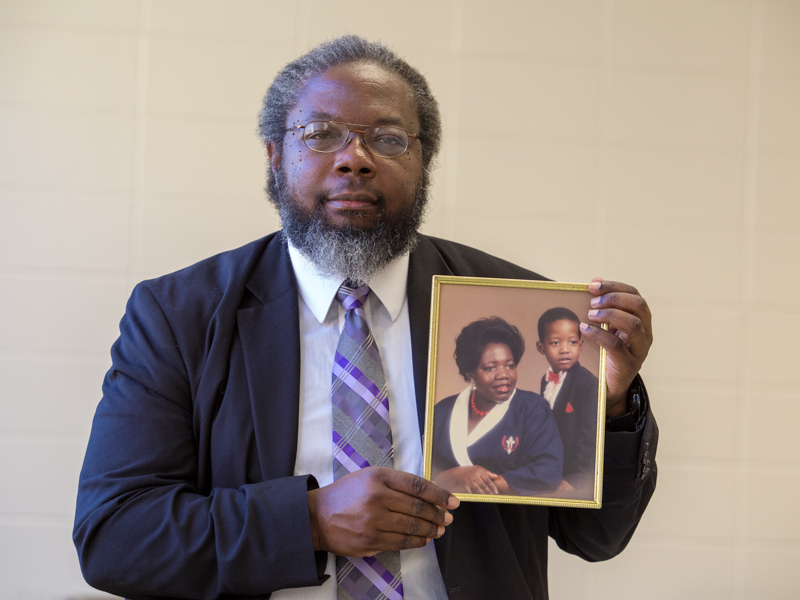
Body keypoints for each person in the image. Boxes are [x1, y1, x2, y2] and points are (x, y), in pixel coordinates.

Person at [73, 35, 657, 600]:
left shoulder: (513, 311)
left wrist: (608, 405)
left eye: (389, 139)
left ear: (424, 161)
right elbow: (116, 536)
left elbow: (595, 537)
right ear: (276, 157)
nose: (355, 159)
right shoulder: (179, 316)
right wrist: (308, 522)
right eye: (321, 134)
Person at [431, 317, 563, 496]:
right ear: (470, 373)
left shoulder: (532, 408)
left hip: (511, 516)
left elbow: (548, 472)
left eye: (510, 365)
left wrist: (474, 486)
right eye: (490, 368)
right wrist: (456, 475)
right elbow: (421, 469)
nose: (504, 375)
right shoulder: (442, 411)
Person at [536, 307, 600, 498]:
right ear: (541, 347)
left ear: (580, 345)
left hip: (573, 475)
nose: (565, 349)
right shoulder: (545, 380)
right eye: (555, 343)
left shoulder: (588, 383)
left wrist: (575, 479)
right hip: (551, 469)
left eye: (572, 342)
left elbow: (588, 437)